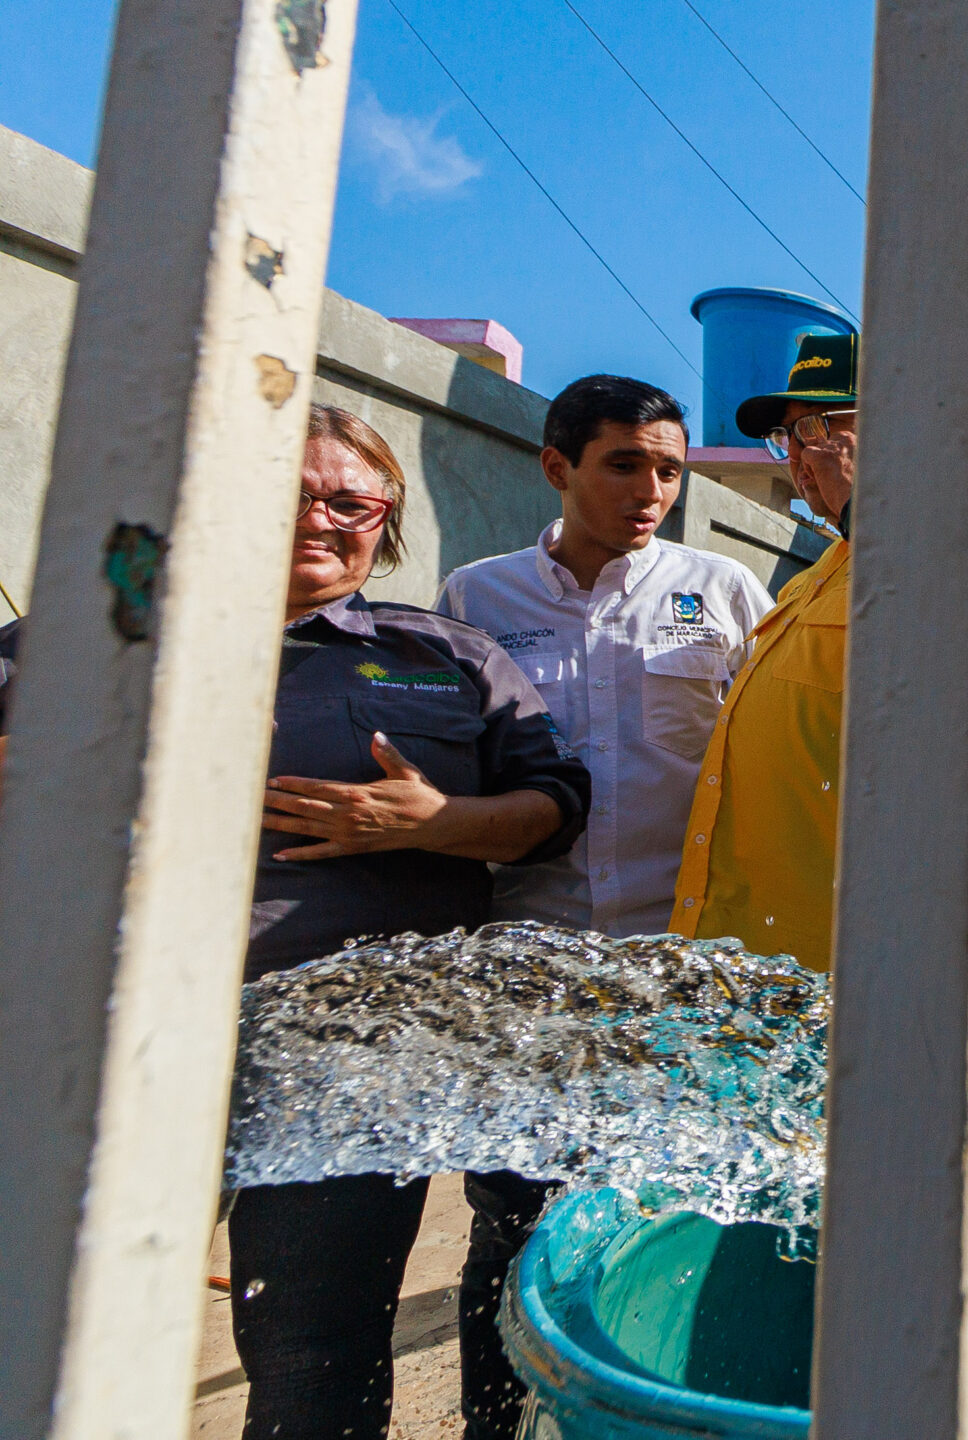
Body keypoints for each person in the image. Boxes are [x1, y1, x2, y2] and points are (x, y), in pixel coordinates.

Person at [0, 407, 592, 1438]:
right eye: (289, 490)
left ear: (387, 521)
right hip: (99, 1047)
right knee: (59, 1329)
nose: (320, 517)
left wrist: (441, 820)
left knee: (320, 1354)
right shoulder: (77, 639)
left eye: (350, 500)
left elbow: (555, 812)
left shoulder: (447, 653)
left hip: (355, 1058)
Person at [667, 334, 968, 1019]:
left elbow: (945, 668)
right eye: (789, 436)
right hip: (765, 960)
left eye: (821, 426)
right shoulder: (815, 578)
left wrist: (867, 504)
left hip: (897, 967)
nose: (801, 455)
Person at [435, 375, 770, 937]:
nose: (651, 493)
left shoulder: (725, 589)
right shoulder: (477, 595)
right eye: (624, 466)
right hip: (526, 935)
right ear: (556, 468)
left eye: (668, 472)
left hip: (690, 934)